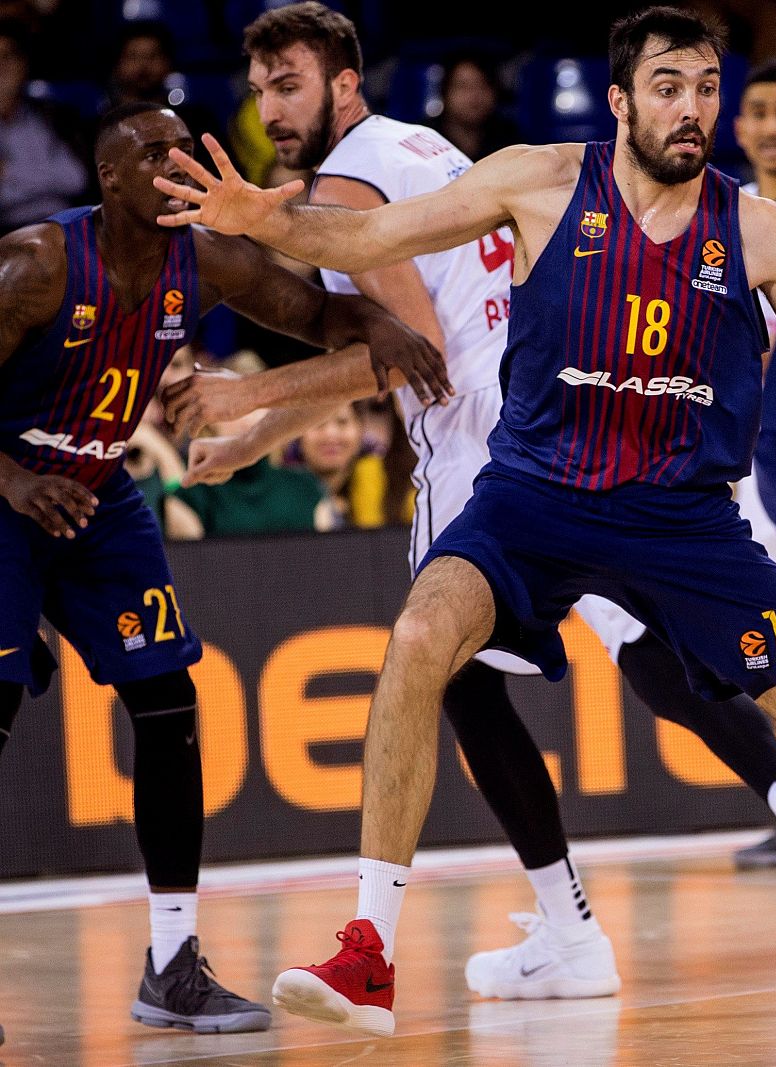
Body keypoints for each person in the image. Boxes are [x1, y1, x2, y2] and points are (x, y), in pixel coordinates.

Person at [156, 7, 776, 1037]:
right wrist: (264, 220)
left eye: (706, 86)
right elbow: (363, 240)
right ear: (618, 101)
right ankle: (371, 944)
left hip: (666, 504)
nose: (692, 106)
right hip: (532, 480)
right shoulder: (519, 172)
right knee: (423, 638)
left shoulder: (751, 225)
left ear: (344, 83)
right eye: (670, 86)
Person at [0, 101, 445, 1033]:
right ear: (109, 176)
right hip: (9, 494)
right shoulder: (37, 264)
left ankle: (172, 962)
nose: (172, 161)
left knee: (169, 703)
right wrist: (14, 479)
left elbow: (314, 309)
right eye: (149, 152)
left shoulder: (199, 259)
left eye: (180, 146)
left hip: (95, 492)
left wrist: (382, 329)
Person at [0, 21, 86, 230]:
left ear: (24, 64)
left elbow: (75, 179)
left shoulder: (49, 117)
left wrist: (9, 172)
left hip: (60, 227)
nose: (1, 65)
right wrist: (48, 180)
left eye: (9, 56)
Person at [428, 54, 518, 162]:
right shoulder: (427, 137)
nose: (473, 96)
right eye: (463, 86)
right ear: (445, 92)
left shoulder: (510, 140)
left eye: (482, 85)